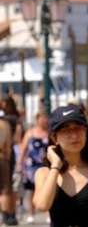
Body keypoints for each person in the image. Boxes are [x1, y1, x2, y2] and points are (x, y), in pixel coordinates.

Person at [32, 104, 88, 227]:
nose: (74, 135)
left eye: (78, 128)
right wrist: (56, 165)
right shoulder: (44, 173)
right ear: (54, 137)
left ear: (86, 132)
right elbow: (42, 205)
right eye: (66, 129)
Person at [16, 112, 49, 224]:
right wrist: (19, 164)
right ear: (37, 119)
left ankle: (48, 213)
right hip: (31, 167)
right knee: (31, 191)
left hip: (46, 165)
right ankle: (31, 214)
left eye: (45, 118)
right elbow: (23, 149)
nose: (44, 120)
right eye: (42, 118)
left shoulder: (49, 133)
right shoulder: (30, 133)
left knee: (48, 189)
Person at [0, 96, 22, 226]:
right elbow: (15, 139)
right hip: (6, 157)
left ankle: (6, 215)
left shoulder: (6, 120)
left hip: (7, 156)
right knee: (7, 188)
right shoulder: (13, 120)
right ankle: (9, 215)